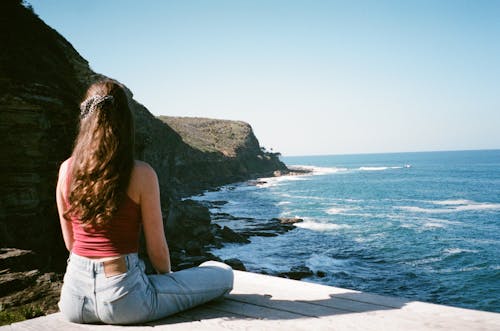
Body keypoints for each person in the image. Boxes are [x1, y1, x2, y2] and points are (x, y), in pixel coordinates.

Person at [55, 79, 233, 325]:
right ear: (125, 122)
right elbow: (157, 250)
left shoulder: (65, 170)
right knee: (223, 274)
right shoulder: (141, 173)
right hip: (125, 301)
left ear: (85, 119)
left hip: (74, 301)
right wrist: (168, 281)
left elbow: (71, 242)